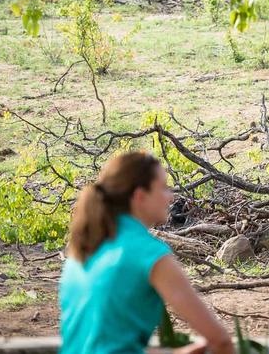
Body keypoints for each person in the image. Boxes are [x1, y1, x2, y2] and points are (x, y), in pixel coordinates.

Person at [59, 151, 233, 354]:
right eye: (163, 188)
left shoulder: (83, 249)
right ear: (140, 196)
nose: (171, 197)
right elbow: (220, 342)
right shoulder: (150, 253)